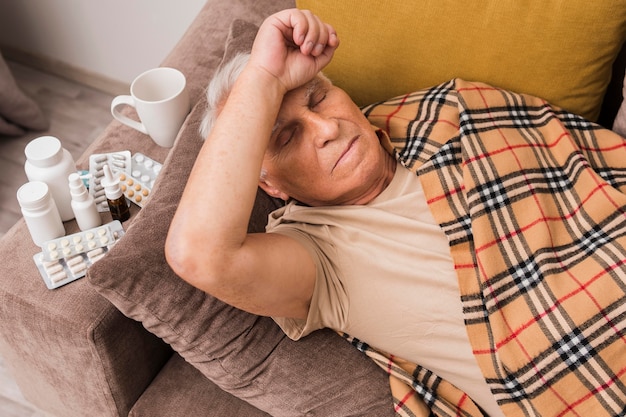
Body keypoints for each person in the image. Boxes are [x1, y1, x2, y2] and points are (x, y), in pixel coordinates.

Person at [166, 8, 626, 417]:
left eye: (319, 99)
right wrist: (263, 76)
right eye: (286, 138)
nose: (327, 129)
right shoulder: (316, 254)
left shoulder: (447, 112)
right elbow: (199, 255)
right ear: (269, 185)